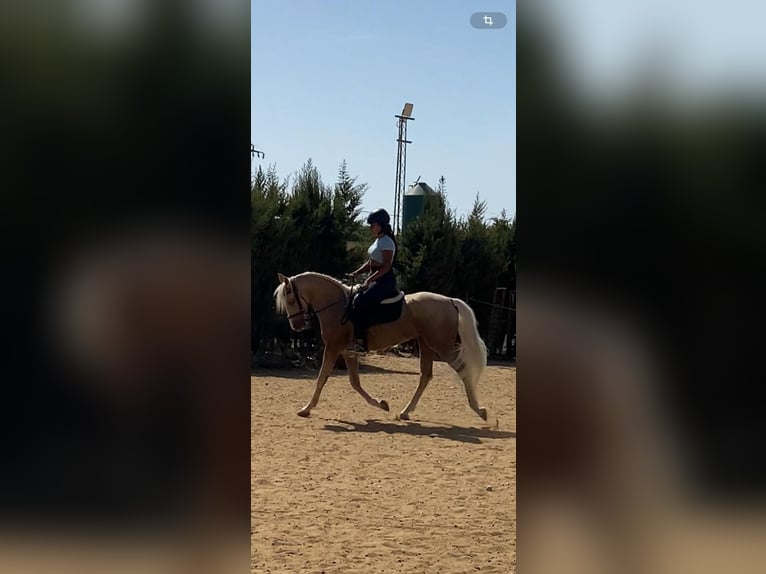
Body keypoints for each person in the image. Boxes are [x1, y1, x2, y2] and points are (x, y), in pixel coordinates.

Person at [347, 208, 399, 352]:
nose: (370, 228)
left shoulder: (387, 242)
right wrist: (356, 273)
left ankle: (360, 340)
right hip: (376, 278)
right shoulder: (378, 241)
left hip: (384, 281)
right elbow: (371, 262)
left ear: (381, 225)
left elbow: (386, 267)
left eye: (372, 225)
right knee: (352, 298)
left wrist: (369, 280)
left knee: (360, 301)